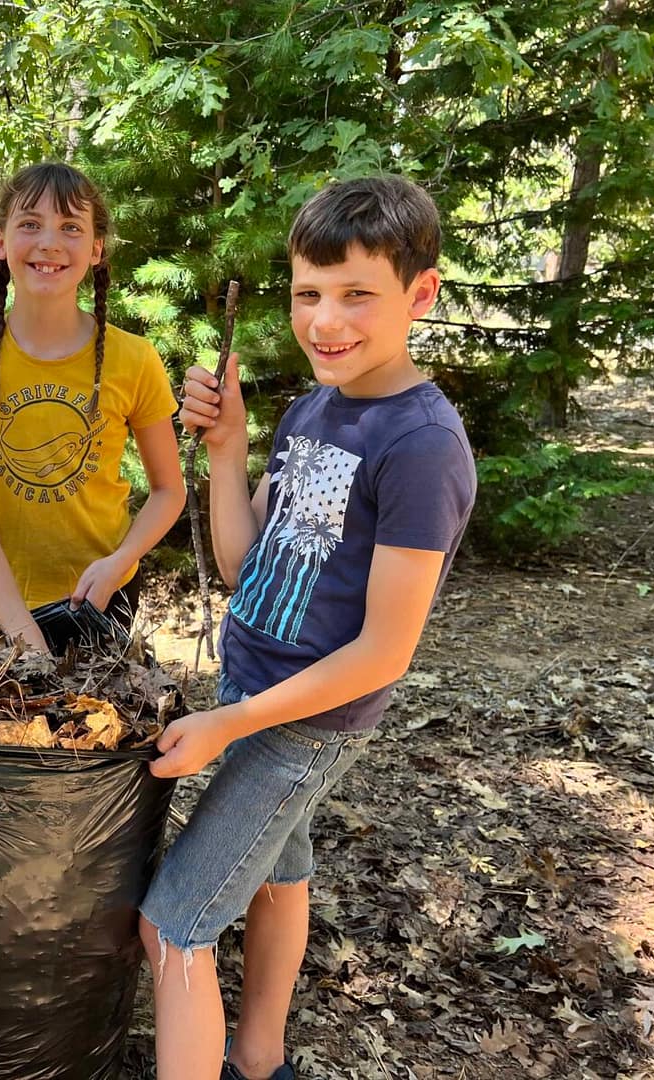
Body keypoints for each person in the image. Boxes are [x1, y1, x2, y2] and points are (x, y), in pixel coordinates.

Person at [139, 176, 478, 1080]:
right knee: (278, 877)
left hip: (304, 724)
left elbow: (384, 652)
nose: (326, 321)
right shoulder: (312, 410)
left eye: (357, 294)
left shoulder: (421, 446)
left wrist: (231, 724)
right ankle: (259, 1059)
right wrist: (227, 448)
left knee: (171, 925)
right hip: (254, 691)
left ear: (420, 293)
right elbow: (246, 564)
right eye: (307, 294)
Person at [0, 161, 184, 654]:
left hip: (104, 595)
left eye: (70, 227)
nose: (49, 242)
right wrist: (20, 630)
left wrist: (119, 562)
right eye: (30, 224)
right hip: (5, 598)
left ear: (96, 249)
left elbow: (169, 490)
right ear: (0, 242)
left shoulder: (135, 358)